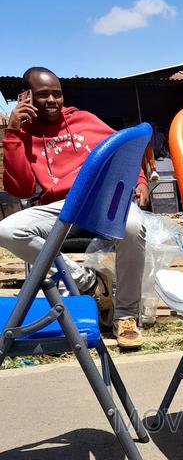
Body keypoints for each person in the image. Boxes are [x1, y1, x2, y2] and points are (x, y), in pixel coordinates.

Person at [0, 67, 149, 349]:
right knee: (6, 230)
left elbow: (123, 150)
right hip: (61, 206)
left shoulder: (83, 120)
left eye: (57, 94)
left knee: (132, 226)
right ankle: (88, 283)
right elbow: (20, 188)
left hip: (101, 201)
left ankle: (126, 315)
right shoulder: (24, 133)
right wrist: (13, 133)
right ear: (26, 97)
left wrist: (139, 180)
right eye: (43, 95)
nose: (53, 100)